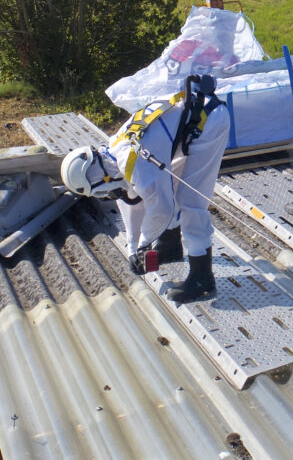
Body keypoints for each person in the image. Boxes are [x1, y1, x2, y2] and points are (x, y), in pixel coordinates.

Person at [60, 74, 230, 304]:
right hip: (192, 117)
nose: (108, 195)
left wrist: (143, 244)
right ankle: (170, 247)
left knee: (190, 201)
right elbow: (131, 201)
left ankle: (202, 278)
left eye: (101, 192)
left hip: (209, 122)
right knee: (169, 188)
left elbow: (161, 209)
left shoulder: (131, 161)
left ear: (98, 177)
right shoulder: (114, 151)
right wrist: (134, 248)